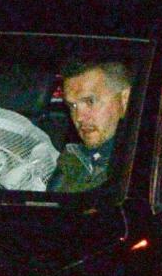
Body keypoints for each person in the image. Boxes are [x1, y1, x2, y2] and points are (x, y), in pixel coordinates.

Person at [48, 60, 132, 192]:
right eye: (72, 106)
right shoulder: (73, 160)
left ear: (125, 99)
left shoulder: (148, 161)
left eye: (89, 101)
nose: (79, 117)